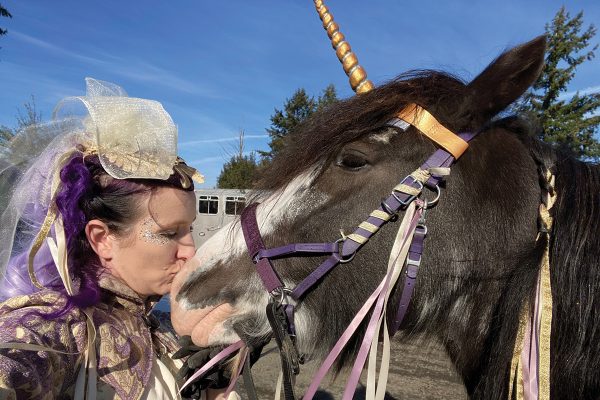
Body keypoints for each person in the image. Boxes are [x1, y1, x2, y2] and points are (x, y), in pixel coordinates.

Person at [0, 78, 232, 399]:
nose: (190, 251)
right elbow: (17, 360)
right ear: (102, 239)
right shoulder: (59, 326)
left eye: (188, 229)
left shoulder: (160, 324)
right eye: (169, 233)